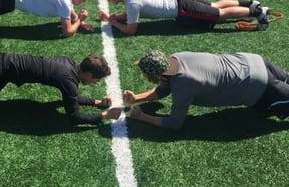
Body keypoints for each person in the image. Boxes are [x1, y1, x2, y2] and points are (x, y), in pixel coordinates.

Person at [123, 50, 289, 130]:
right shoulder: (177, 58)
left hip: (258, 85)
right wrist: (136, 98)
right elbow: (163, 90)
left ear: (153, 75)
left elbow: (174, 123)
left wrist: (141, 116)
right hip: (252, 60)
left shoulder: (182, 84)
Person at [99, 0, 269, 35]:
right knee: (214, 5)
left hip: (182, 8)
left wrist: (114, 23)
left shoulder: (132, 2)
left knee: (218, 14)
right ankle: (249, 3)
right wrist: (115, 17)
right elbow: (129, 13)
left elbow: (131, 30)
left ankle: (257, 12)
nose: (109, 0)